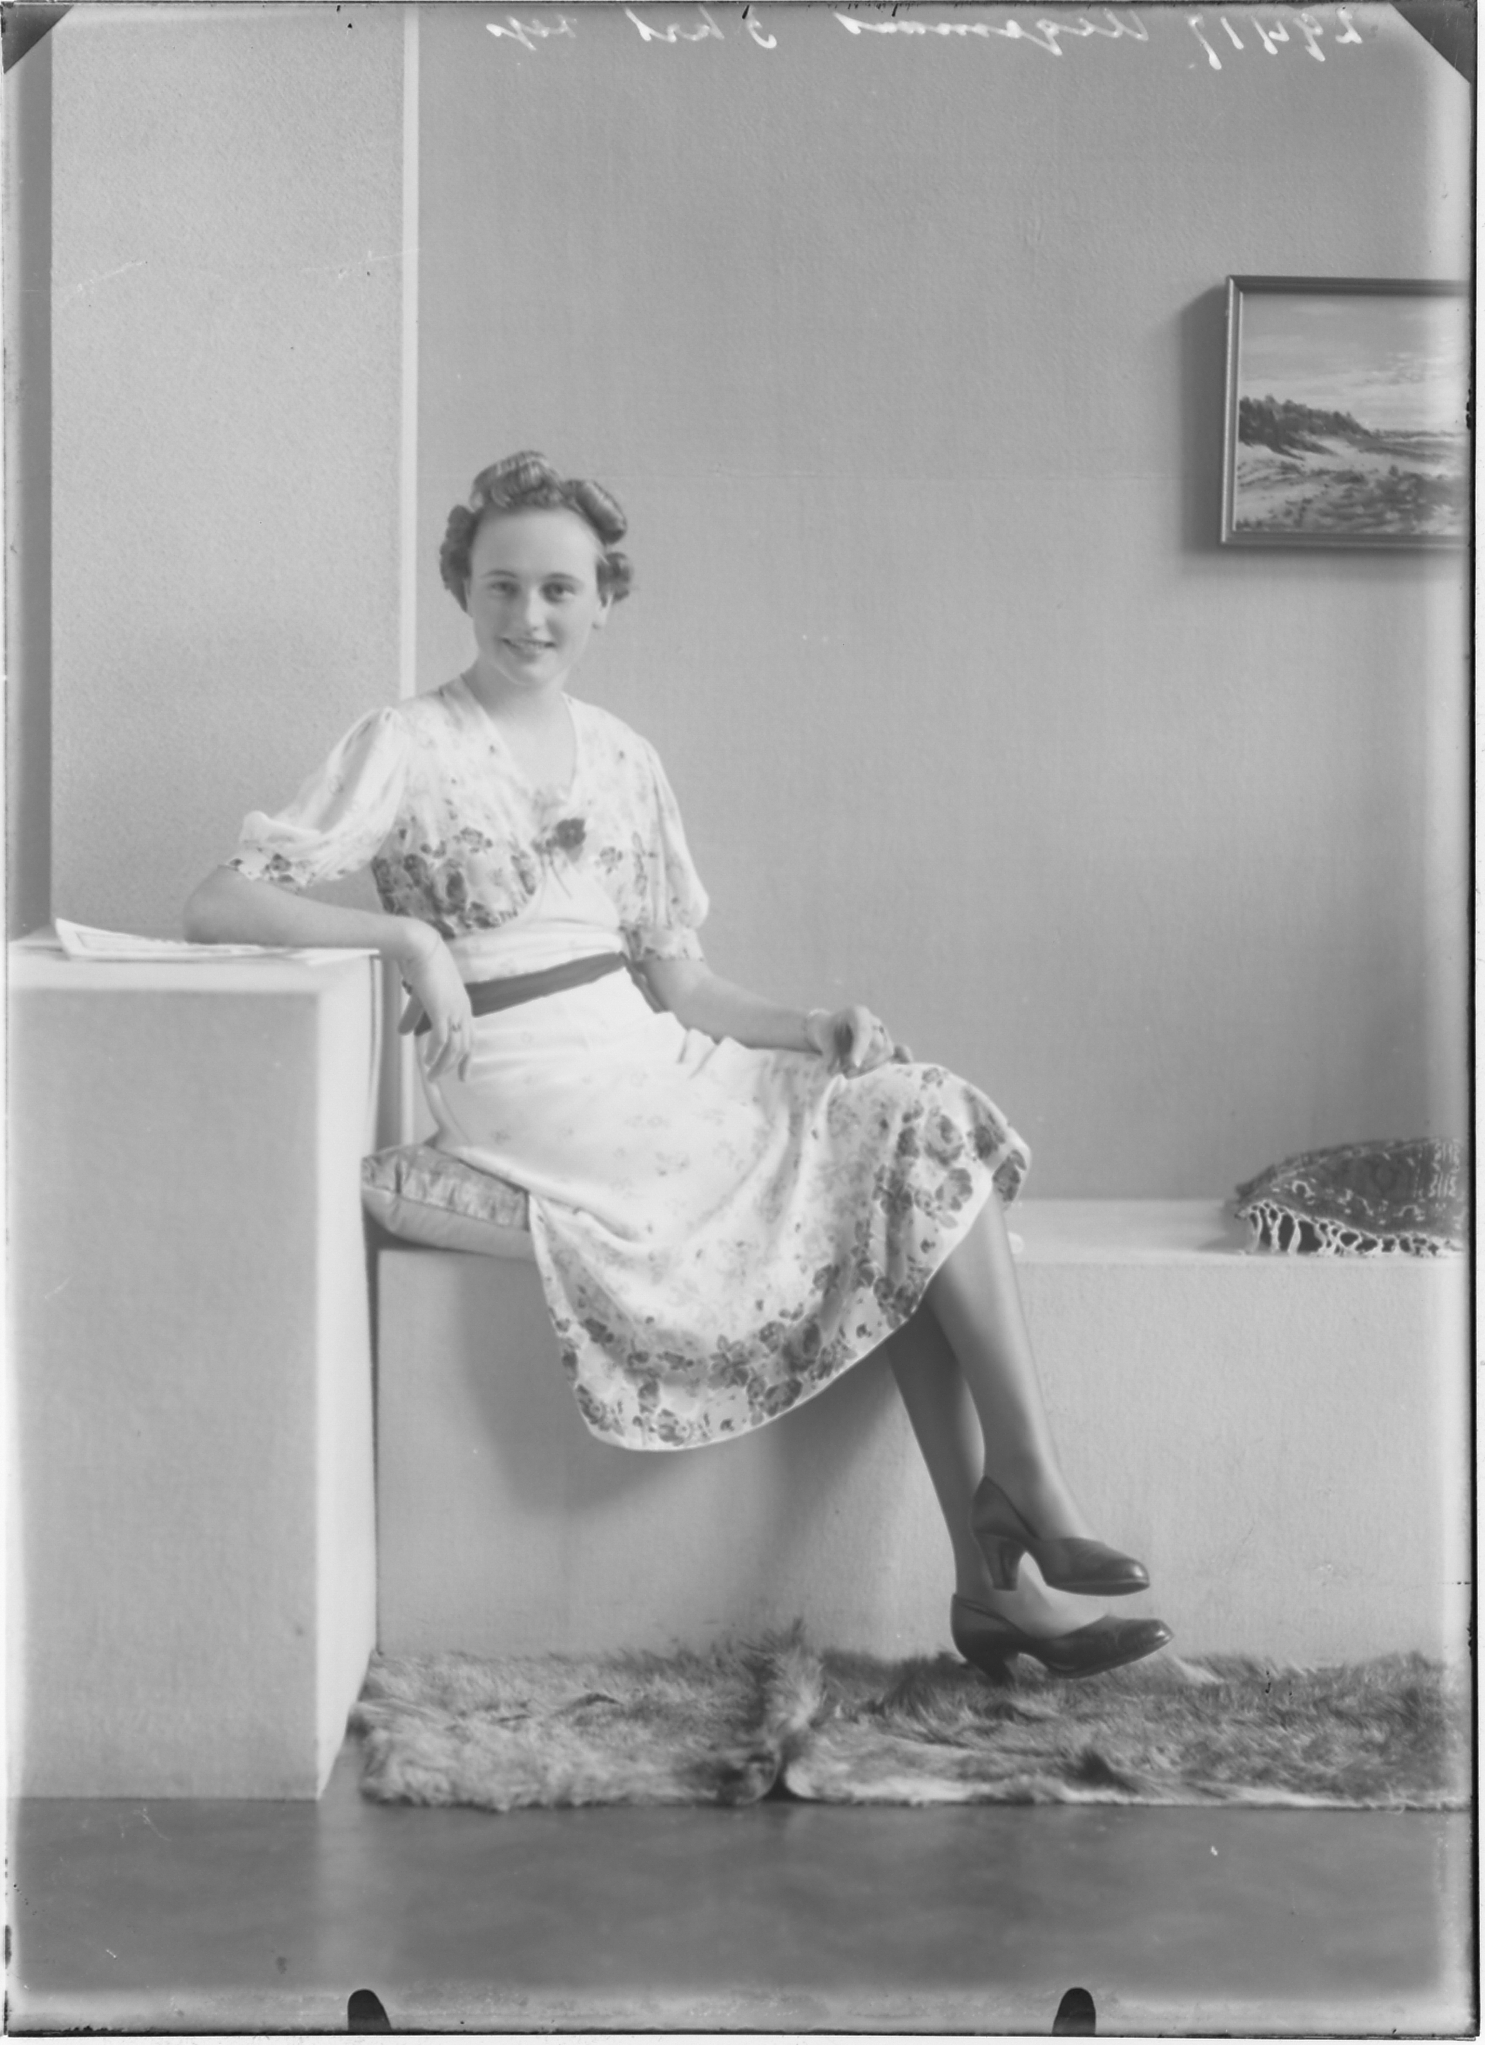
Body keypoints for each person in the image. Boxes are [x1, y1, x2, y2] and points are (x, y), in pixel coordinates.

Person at [186, 451, 1172, 1681]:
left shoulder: (624, 757)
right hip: (532, 1085)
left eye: (560, 589)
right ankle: (1008, 1555)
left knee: (913, 1119)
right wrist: (408, 939)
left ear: (605, 598)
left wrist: (809, 1024)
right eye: (501, 586)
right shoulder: (407, 741)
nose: (529, 616)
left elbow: (682, 982)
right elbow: (218, 900)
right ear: (461, 587)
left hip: (654, 1055)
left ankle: (1013, 1522)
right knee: (876, 1174)